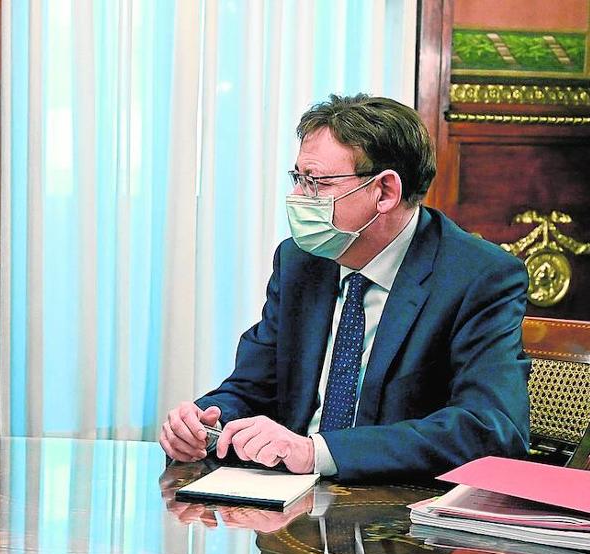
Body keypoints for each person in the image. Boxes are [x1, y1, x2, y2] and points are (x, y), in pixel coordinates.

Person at [160, 94, 529, 482]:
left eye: (316, 183)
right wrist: (205, 422)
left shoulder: (478, 276)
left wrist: (318, 452)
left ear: (385, 191)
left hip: (397, 521)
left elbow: (491, 428)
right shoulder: (299, 262)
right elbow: (254, 386)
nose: (299, 198)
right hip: (283, 511)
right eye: (298, 179)